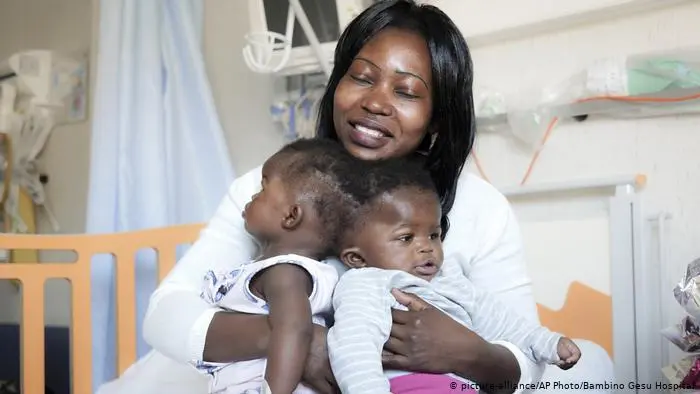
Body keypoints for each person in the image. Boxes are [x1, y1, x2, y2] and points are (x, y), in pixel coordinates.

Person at [142, 1, 614, 393]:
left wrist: (470, 352)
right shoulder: (271, 191)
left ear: (436, 120)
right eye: (362, 77)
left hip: (432, 379)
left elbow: (525, 352)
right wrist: (297, 338)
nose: (375, 101)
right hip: (274, 375)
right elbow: (166, 314)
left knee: (591, 365)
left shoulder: (480, 208)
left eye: (406, 91)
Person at [327, 157, 581, 394]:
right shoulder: (366, 282)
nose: (427, 247)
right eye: (406, 238)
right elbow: (353, 349)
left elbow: (506, 324)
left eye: (434, 235)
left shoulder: (452, 282)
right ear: (357, 259)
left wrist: (549, 343)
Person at [193, 139, 359, 393]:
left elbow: (295, 329)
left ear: (291, 216)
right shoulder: (286, 271)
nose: (252, 196)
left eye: (262, 187)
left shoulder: (285, 273)